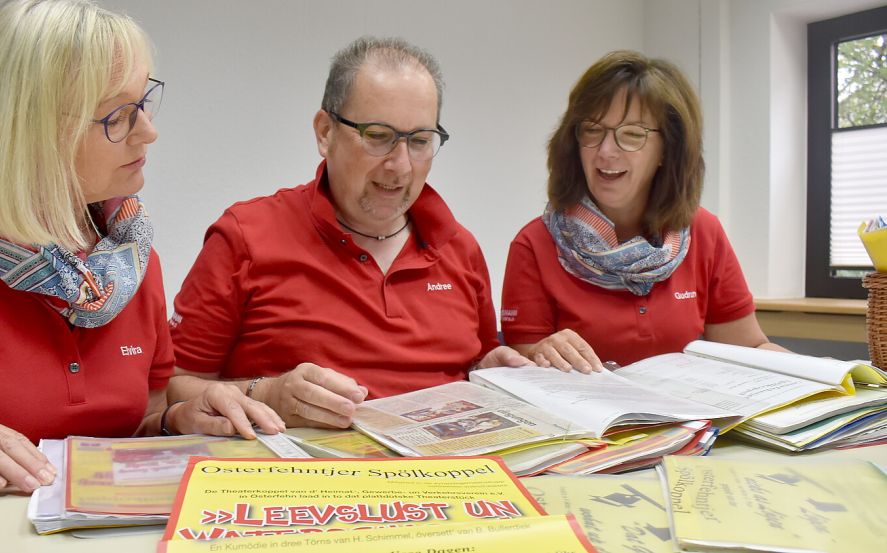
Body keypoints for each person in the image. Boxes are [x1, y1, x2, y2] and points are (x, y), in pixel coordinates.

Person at [0, 0, 281, 493]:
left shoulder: (127, 254)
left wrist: (178, 421)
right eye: (118, 117)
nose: (149, 131)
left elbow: (135, 420)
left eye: (143, 103)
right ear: (28, 129)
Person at [169, 36, 529, 429]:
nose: (401, 165)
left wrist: (490, 371)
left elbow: (473, 362)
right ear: (325, 132)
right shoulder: (245, 237)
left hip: (438, 478)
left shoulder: (460, 247)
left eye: (421, 141)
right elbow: (170, 389)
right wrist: (266, 393)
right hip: (299, 480)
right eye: (378, 136)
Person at [500, 50, 786, 373]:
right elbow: (520, 370)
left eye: (632, 134)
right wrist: (542, 353)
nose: (606, 151)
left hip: (693, 419)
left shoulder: (704, 232)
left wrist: (826, 377)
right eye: (593, 130)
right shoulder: (534, 246)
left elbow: (750, 349)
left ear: (667, 149)